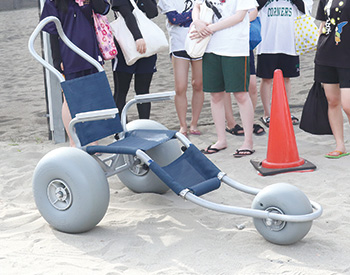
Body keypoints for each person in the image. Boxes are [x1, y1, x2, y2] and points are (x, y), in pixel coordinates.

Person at [191, 0, 257, 157]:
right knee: (215, 94)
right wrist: (197, 21)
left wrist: (209, 28)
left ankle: (248, 141)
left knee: (240, 94)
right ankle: (221, 139)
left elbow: (240, 16)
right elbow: (197, 6)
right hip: (210, 46)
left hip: (234, 47)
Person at [40, 0, 111, 147]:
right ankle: (73, 140)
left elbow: (103, 9)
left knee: (92, 97)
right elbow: (52, 31)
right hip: (69, 55)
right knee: (70, 99)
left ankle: (94, 141)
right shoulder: (53, 2)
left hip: (91, 52)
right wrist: (57, 59)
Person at [256, 0, 306, 128]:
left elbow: (305, 9)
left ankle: (285, 111)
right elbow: (254, 7)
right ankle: (267, 114)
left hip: (289, 42)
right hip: (267, 42)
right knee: (266, 79)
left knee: (286, 78)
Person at [158, 0, 204, 136]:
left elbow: (206, 15)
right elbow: (174, 19)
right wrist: (196, 16)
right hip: (178, 43)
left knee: (198, 84)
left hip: (199, 41)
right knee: (180, 87)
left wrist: (187, 18)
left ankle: (194, 124)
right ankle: (183, 125)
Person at [110, 0, 158, 120]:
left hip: (147, 44)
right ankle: (121, 130)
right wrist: (138, 37)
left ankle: (144, 127)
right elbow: (127, 14)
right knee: (121, 91)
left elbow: (153, 12)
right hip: (125, 44)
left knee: (143, 91)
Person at [314, 0, 350, 159]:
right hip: (326, 54)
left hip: (347, 56)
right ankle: (340, 145)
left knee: (348, 105)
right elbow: (323, 23)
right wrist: (318, 45)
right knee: (332, 101)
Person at [225, 8, 265, 137]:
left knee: (252, 85)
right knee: (226, 87)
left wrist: (241, 20)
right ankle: (230, 123)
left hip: (244, 42)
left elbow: (254, 11)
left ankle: (249, 120)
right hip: (224, 41)